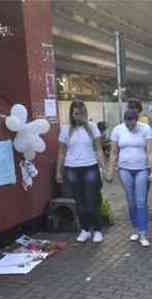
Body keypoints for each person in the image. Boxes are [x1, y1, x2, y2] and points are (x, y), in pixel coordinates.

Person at [56, 100, 111, 243]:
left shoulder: (92, 128)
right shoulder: (65, 129)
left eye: (81, 113)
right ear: (71, 114)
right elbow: (61, 153)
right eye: (76, 113)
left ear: (85, 113)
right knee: (79, 202)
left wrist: (104, 169)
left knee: (92, 200)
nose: (79, 116)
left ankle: (97, 229)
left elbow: (99, 150)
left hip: (90, 167)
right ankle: (85, 230)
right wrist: (58, 172)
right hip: (72, 169)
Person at [108, 108, 152, 247]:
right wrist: (110, 171)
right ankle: (135, 227)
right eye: (127, 124)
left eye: (132, 124)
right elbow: (113, 153)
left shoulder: (145, 129)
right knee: (131, 201)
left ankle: (143, 232)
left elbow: (150, 152)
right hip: (124, 169)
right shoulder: (118, 130)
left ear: (137, 120)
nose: (130, 127)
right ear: (124, 121)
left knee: (141, 201)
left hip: (142, 168)